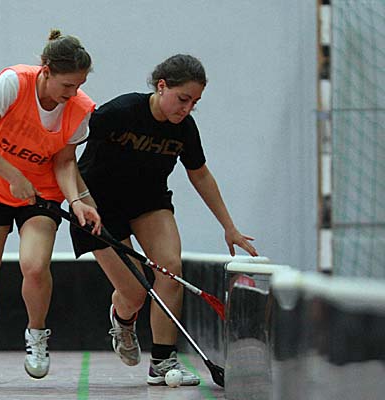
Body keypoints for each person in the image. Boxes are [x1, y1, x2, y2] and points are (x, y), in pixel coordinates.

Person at [70, 54, 258, 386]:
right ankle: (122, 318)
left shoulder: (185, 129)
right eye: (183, 98)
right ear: (161, 86)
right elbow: (64, 153)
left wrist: (229, 226)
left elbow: (200, 174)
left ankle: (162, 362)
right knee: (135, 293)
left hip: (149, 203)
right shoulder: (118, 112)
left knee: (170, 269)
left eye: (194, 103)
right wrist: (76, 199)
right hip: (98, 207)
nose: (187, 108)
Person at [0, 29, 101, 389]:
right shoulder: (13, 83)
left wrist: (77, 201)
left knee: (35, 266)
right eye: (67, 85)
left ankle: (36, 334)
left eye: (79, 85)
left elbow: (65, 161)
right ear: (46, 71)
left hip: (40, 194)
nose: (73, 93)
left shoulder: (80, 109)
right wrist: (13, 176)